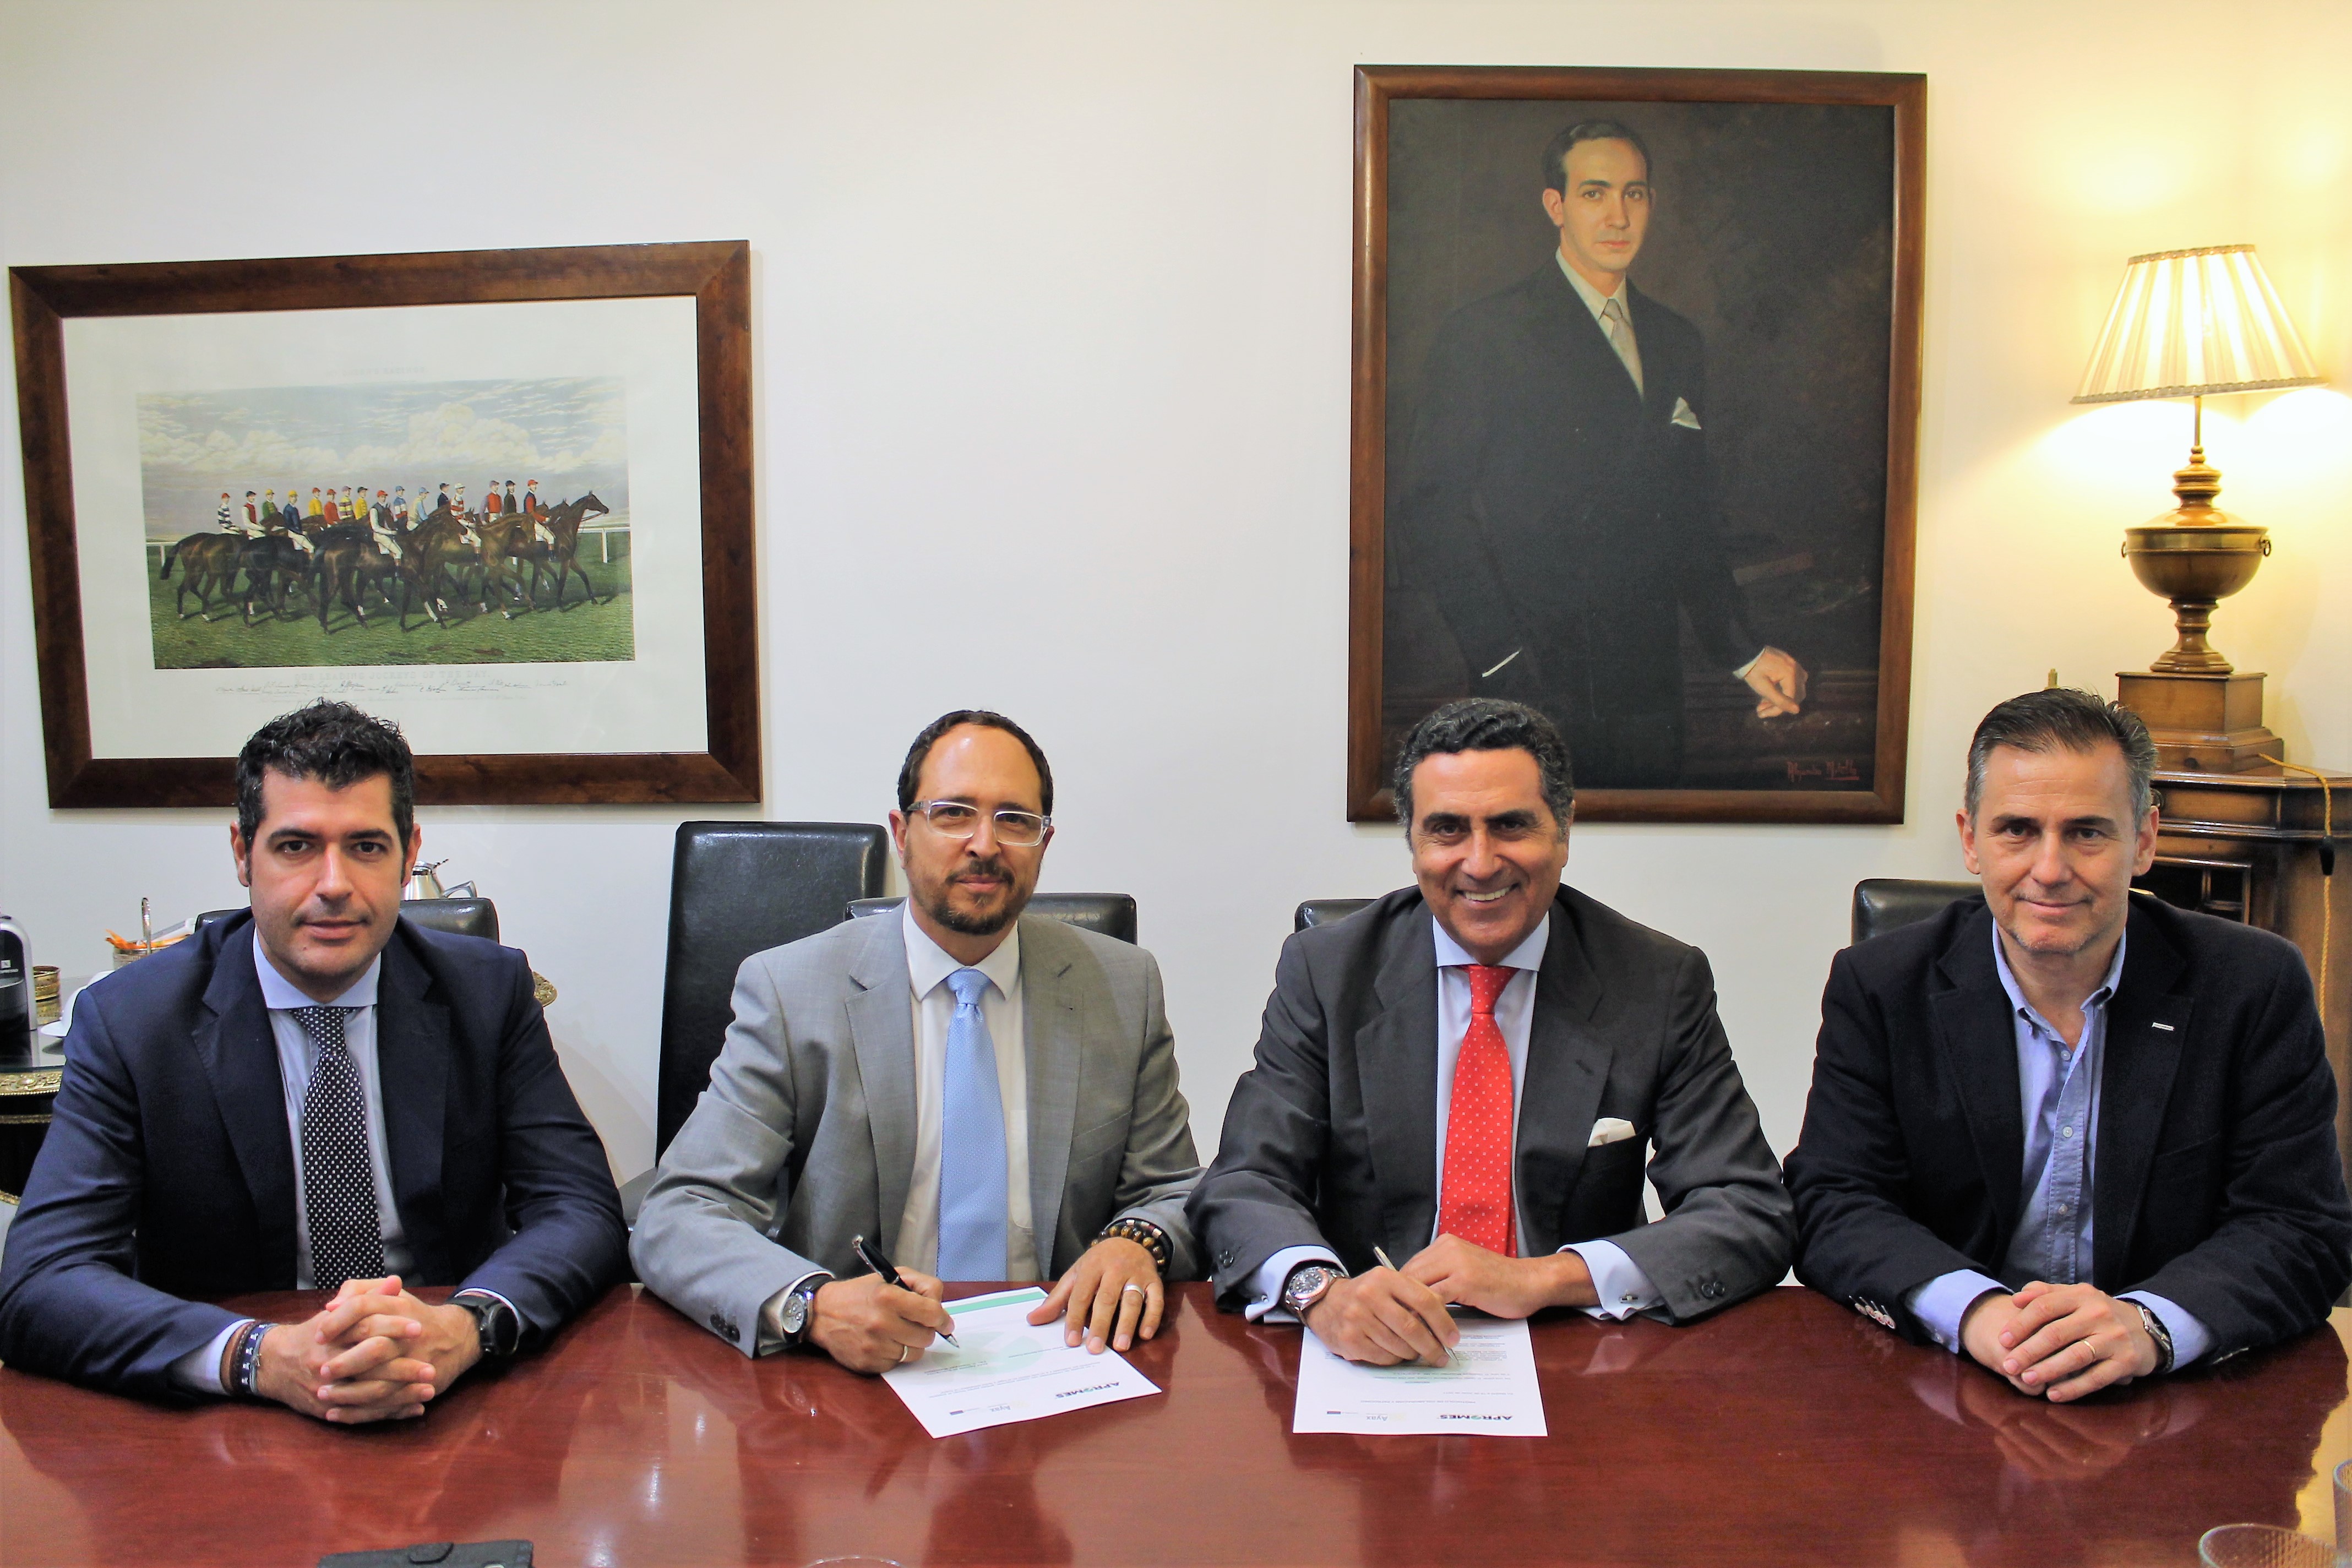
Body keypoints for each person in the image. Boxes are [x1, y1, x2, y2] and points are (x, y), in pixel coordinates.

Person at [0, 701, 628, 1418]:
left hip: (451, 1392)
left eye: (366, 846)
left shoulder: (488, 992)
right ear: (243, 853)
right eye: (297, 846)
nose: (334, 883)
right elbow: (43, 1277)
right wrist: (258, 1355)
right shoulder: (132, 1022)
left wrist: (468, 1325)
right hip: (230, 1416)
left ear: (409, 853)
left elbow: (580, 1209)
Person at [1784, 689, 2352, 1402]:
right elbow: (1835, 1199)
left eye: (2087, 832)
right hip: (1950, 1383)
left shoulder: (2254, 986)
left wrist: (2149, 1324)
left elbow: (2299, 1226)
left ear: (2144, 840)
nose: (2050, 870)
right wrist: (1977, 1312)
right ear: (1970, 839)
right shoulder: (1880, 985)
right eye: (2017, 830)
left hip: (2172, 1394)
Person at [1188, 698, 1793, 1365]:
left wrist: (1547, 1277)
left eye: (1510, 825)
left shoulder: (1655, 981)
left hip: (1578, 1353)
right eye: (1447, 829)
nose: (1479, 863)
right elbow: (1245, 1180)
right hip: (1369, 1359)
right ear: (1413, 843)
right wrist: (1321, 1292)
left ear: (1564, 831)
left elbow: (1746, 1208)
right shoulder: (1328, 971)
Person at [633, 710, 1202, 1373]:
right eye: (954, 813)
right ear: (903, 834)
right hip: (857, 1373)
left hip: (1063, 1357)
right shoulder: (791, 991)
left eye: (1015, 820)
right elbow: (680, 1212)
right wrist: (812, 1304)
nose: (985, 844)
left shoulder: (1123, 986)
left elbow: (1177, 1192)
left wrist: (1137, 1240)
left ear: (1043, 842)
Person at [1390, 119, 1807, 789]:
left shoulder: (1676, 340)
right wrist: (1502, 661)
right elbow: (1432, 512)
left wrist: (1743, 651)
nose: (1618, 216)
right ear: (1555, 205)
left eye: (1634, 194)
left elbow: (1689, 516)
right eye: (1594, 193)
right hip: (1530, 684)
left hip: (1651, 686)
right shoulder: (1485, 335)